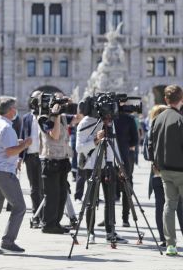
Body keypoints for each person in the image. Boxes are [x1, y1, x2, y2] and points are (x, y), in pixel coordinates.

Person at [0, 96, 32, 254]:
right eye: (14, 108)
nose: (16, 110)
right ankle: (8, 241)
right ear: (11, 110)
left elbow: (0, 146)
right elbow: (10, 152)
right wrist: (25, 144)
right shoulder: (7, 127)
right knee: (20, 207)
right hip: (4, 172)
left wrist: (16, 143)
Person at [76, 110, 126, 244]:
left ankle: (110, 232)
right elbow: (79, 148)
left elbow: (113, 144)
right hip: (92, 166)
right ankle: (90, 232)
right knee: (91, 201)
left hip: (108, 165)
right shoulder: (86, 122)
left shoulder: (110, 122)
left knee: (110, 200)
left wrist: (119, 165)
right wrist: (96, 140)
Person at [149, 84, 183, 256]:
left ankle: (170, 244)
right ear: (181, 99)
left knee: (169, 205)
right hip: (181, 169)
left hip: (164, 169)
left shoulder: (157, 119)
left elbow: (150, 143)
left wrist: (155, 163)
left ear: (166, 99)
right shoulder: (180, 119)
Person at [38, 97, 76, 234]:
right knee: (52, 195)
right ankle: (48, 224)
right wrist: (56, 115)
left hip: (63, 160)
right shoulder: (43, 119)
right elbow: (54, 135)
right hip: (50, 160)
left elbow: (79, 118)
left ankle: (56, 223)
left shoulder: (65, 118)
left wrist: (73, 104)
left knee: (61, 194)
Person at [18, 91, 43, 227]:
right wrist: (19, 158)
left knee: (43, 188)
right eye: (35, 99)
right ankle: (36, 214)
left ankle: (45, 214)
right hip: (30, 157)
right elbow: (22, 136)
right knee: (34, 188)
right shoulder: (26, 117)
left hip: (43, 156)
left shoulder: (46, 116)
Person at [114, 109, 139, 227]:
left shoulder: (109, 119)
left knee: (111, 188)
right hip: (125, 156)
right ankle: (125, 218)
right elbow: (135, 140)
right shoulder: (129, 119)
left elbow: (135, 139)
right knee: (126, 187)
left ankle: (112, 218)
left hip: (113, 156)